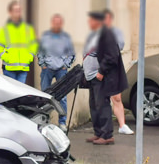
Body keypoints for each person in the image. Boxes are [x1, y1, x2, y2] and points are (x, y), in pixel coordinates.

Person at [82, 10, 128, 145]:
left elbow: (112, 56)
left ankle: (107, 135)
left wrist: (101, 72)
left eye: (91, 20)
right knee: (94, 105)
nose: (89, 23)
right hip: (91, 76)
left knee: (102, 105)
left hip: (101, 76)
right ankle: (98, 133)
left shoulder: (106, 35)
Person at [38, 13, 75, 131]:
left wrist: (66, 65)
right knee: (44, 95)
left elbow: (72, 54)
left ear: (61, 24)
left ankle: (62, 123)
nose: (57, 24)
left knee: (62, 97)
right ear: (52, 23)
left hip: (61, 70)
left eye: (59, 22)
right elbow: (39, 52)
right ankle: (44, 120)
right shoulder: (45, 37)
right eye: (55, 22)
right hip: (47, 70)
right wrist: (43, 65)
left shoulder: (66, 38)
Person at [104, 9, 134, 135]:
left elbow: (120, 46)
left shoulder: (115, 32)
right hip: (101, 68)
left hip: (113, 67)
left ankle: (122, 125)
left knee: (116, 97)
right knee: (101, 99)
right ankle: (104, 128)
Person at [0, 1, 38, 83]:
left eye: (19, 10)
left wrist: (29, 57)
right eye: (16, 11)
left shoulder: (28, 29)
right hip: (9, 68)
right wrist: (7, 58)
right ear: (10, 12)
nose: (19, 13)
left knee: (21, 93)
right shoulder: (4, 30)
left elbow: (34, 46)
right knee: (12, 94)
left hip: (23, 68)